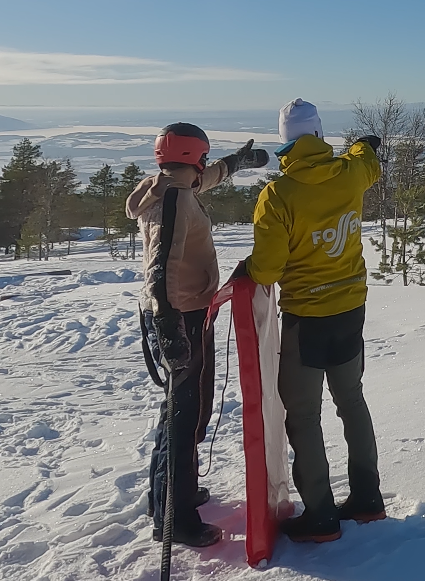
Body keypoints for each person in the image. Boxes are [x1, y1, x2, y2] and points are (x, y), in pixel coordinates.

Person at [240, 98, 384, 544]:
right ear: (319, 133)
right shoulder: (350, 172)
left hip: (307, 317)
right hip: (351, 309)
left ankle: (320, 515)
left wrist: (244, 271)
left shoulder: (278, 195)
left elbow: (266, 270)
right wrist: (364, 146)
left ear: (284, 141)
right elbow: (367, 161)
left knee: (302, 414)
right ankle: (367, 498)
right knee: (352, 400)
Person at [127, 122, 268, 548]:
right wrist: (171, 331)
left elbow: (200, 180)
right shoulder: (174, 199)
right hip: (178, 317)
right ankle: (176, 518)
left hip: (184, 313)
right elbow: (159, 269)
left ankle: (171, 496)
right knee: (183, 418)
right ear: (196, 156)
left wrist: (236, 164)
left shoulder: (170, 185)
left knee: (186, 411)